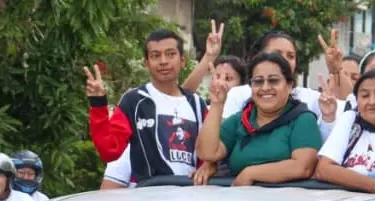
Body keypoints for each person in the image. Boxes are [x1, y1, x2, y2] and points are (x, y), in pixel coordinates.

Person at [84, 28, 208, 184]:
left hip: (190, 193)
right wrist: (98, 103)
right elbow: (109, 150)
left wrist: (208, 166)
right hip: (147, 193)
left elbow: (210, 152)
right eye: (155, 55)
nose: (163, 61)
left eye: (170, 54)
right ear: (146, 63)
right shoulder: (134, 101)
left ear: (182, 60)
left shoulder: (197, 104)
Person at [197, 53, 320, 186]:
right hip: (241, 197)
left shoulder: (302, 119)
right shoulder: (240, 120)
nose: (265, 87)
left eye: (273, 80)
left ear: (289, 85)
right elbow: (207, 153)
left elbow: (303, 167)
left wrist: (250, 174)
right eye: (258, 81)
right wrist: (217, 104)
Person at [221, 29, 343, 137]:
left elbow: (348, 101)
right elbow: (222, 140)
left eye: (291, 56)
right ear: (259, 56)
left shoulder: (312, 98)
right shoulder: (239, 94)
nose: (284, 60)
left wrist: (337, 70)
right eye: (277, 54)